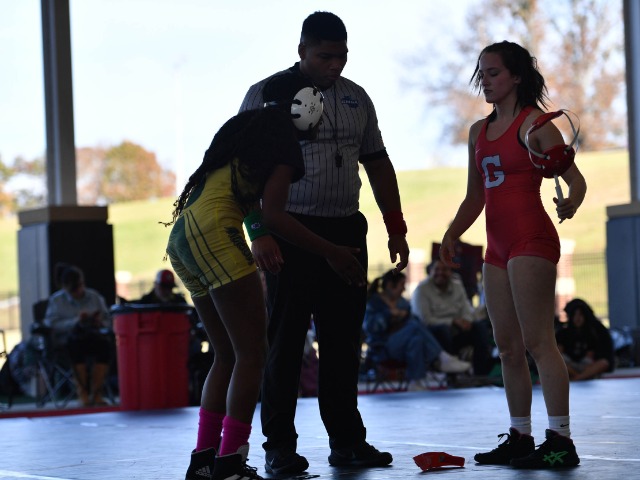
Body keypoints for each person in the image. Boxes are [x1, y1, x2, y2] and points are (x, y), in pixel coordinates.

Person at [165, 73, 366, 480]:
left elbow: (245, 197)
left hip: (185, 235)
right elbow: (275, 214)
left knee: (226, 354)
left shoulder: (245, 129)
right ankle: (231, 462)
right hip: (216, 232)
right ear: (307, 107)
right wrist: (331, 251)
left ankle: (204, 461)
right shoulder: (284, 143)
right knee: (253, 354)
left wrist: (256, 231)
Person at [239, 11, 410, 475]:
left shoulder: (357, 97)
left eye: (342, 56)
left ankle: (348, 441)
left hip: (345, 229)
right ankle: (279, 447)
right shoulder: (267, 94)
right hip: (288, 230)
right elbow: (243, 169)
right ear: (302, 51)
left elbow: (378, 163)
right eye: (324, 56)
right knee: (286, 341)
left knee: (343, 341)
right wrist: (258, 231)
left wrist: (395, 225)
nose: (335, 65)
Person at [440, 40, 587, 469]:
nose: (485, 81)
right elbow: (475, 197)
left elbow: (575, 180)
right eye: (482, 74)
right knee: (506, 347)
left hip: (531, 240)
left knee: (539, 341)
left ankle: (561, 441)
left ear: (517, 76)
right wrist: (451, 233)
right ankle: (520, 436)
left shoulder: (536, 125)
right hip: (497, 247)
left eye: (494, 73)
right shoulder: (477, 132)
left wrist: (572, 202)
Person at [364, 270, 471, 391]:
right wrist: (389, 314)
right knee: (414, 325)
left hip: (403, 345)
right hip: (382, 347)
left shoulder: (402, 303)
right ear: (390, 285)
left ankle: (416, 381)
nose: (403, 289)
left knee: (416, 339)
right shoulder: (374, 302)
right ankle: (441, 357)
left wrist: (401, 317)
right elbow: (370, 328)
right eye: (401, 285)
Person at [43, 265, 113, 407]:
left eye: (80, 286)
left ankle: (97, 393)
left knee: (105, 346)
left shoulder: (94, 297)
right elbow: (52, 324)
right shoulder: (57, 301)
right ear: (65, 287)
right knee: (75, 345)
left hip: (93, 336)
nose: (79, 291)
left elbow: (108, 319)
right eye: (74, 289)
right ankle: (83, 394)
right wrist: (76, 321)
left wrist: (99, 322)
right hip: (69, 342)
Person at [411, 259, 494, 376]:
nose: (440, 273)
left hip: (458, 331)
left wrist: (466, 321)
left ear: (450, 272)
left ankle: (480, 373)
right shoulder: (421, 290)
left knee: (480, 327)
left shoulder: (457, 286)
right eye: (437, 269)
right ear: (430, 271)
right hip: (435, 336)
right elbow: (425, 320)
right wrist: (452, 321)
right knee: (443, 330)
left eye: (444, 269)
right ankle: (450, 373)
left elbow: (467, 309)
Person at [557, 298, 614, 381]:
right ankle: (580, 377)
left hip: (587, 365)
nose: (577, 318)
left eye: (580, 315)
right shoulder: (563, 333)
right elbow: (558, 353)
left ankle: (577, 378)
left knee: (603, 363)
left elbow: (598, 356)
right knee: (557, 362)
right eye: (574, 315)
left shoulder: (594, 331)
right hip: (569, 365)